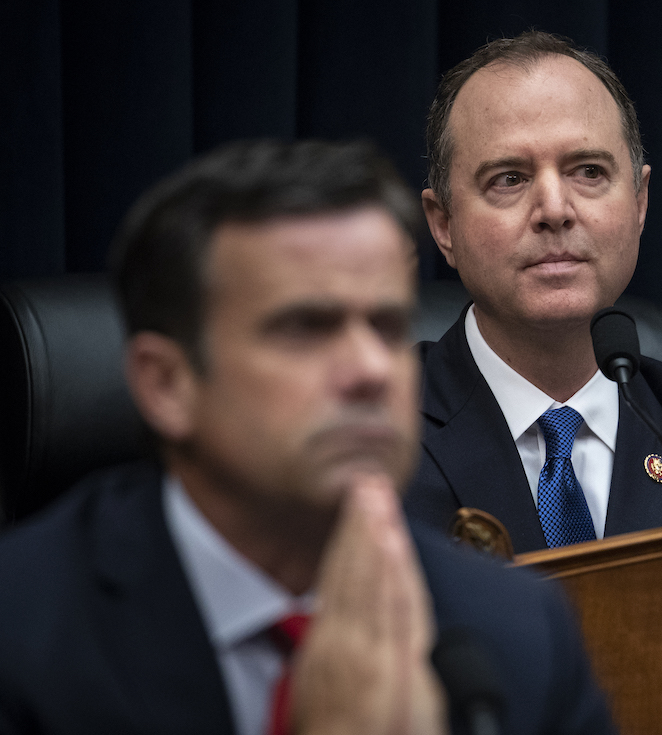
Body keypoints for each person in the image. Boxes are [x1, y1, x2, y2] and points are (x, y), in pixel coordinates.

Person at [0, 140, 613, 735]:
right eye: (305, 328)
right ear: (167, 385)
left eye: (386, 325)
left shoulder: (518, 631)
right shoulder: (24, 630)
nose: (372, 369)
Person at [405, 31, 662, 553]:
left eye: (589, 172)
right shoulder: (373, 436)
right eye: (509, 178)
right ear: (443, 224)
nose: (555, 209)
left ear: (640, 202)